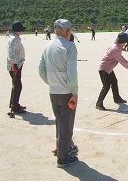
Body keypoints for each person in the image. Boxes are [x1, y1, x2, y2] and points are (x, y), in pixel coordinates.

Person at [39, 19, 79, 168]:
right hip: (66, 92)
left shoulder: (47, 46)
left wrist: (52, 83)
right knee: (66, 125)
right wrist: (74, 92)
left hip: (53, 92)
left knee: (59, 121)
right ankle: (63, 158)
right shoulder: (69, 47)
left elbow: (41, 69)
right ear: (67, 31)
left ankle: (62, 147)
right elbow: (72, 73)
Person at [96, 32, 128, 110]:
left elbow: (121, 58)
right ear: (123, 41)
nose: (125, 43)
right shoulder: (116, 49)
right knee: (106, 86)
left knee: (114, 82)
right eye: (125, 41)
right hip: (104, 69)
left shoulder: (117, 46)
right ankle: (99, 104)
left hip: (108, 68)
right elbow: (121, 60)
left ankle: (117, 98)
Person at [7, 21, 26, 117]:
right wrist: (14, 65)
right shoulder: (14, 39)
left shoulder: (15, 37)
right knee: (17, 86)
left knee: (16, 85)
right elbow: (11, 53)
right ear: (17, 30)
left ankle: (14, 104)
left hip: (17, 64)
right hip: (15, 66)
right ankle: (14, 107)